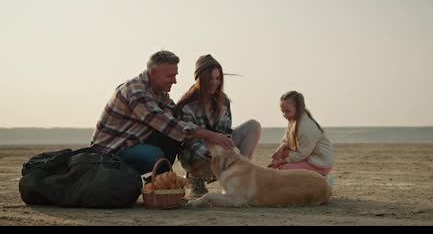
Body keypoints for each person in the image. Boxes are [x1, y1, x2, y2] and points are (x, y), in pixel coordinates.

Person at [89, 50, 235, 179]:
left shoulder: (160, 93)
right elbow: (169, 125)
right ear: (153, 73)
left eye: (175, 75)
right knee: (155, 154)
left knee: (172, 139)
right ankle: (122, 179)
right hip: (110, 152)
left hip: (132, 143)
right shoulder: (136, 91)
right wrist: (211, 135)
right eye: (170, 76)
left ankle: (159, 183)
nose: (175, 81)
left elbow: (173, 116)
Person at [175, 54, 262, 198]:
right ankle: (195, 178)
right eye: (210, 79)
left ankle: (243, 174)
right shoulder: (186, 105)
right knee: (210, 152)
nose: (214, 83)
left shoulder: (223, 101)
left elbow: (226, 132)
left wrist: (233, 153)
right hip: (196, 154)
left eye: (217, 78)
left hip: (219, 148)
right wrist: (215, 155)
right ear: (200, 78)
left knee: (253, 126)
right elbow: (189, 141)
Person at [267, 91, 335, 186]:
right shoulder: (294, 120)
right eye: (282, 111)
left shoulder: (306, 127)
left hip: (319, 163)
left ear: (298, 109)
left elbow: (302, 153)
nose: (284, 115)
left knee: (285, 169)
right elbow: (286, 138)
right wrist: (280, 149)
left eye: (287, 111)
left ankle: (323, 180)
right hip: (309, 157)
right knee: (281, 156)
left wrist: (281, 162)